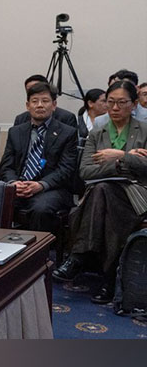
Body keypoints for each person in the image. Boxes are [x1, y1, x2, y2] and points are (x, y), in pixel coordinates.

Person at [53, 81, 147, 304]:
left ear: (133, 104)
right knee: (103, 192)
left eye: (121, 103)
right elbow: (86, 172)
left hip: (137, 193)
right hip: (103, 193)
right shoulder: (97, 133)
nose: (114, 108)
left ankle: (78, 257)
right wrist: (122, 162)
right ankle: (109, 280)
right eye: (110, 102)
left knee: (101, 192)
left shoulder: (144, 129)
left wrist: (120, 155)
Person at [0, 82, 77, 232]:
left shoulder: (67, 133)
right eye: (35, 101)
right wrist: (13, 183)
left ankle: (39, 253)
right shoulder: (16, 132)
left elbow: (66, 170)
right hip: (19, 186)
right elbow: (6, 165)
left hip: (51, 189)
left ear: (54, 105)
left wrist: (41, 185)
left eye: (45, 101)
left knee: (40, 209)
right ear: (28, 106)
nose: (40, 105)